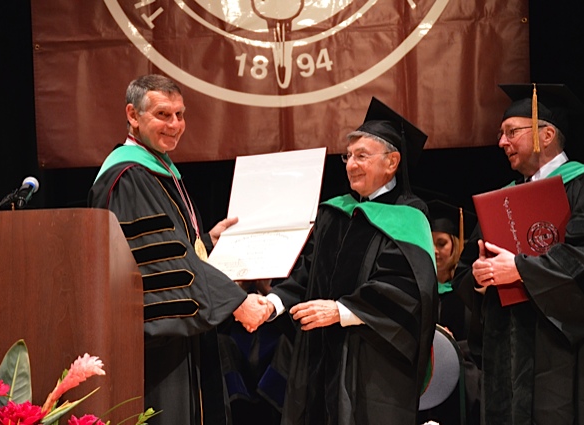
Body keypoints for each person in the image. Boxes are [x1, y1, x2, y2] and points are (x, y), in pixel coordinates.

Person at [240, 97, 439, 424]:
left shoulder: (409, 219)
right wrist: (272, 303)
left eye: (362, 156)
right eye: (348, 156)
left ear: (392, 162)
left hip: (372, 363)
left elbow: (405, 289)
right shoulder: (334, 212)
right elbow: (307, 273)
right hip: (318, 356)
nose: (350, 164)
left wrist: (342, 311)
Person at [88, 74, 267, 425]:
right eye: (162, 115)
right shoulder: (129, 176)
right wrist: (235, 301)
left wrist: (208, 242)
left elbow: (173, 249)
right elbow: (161, 262)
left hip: (181, 339)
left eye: (180, 115)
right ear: (132, 115)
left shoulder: (159, 169)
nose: (175, 125)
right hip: (156, 349)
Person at [455, 83, 584, 424]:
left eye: (511, 132)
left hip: (561, 352)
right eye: (501, 134)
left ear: (547, 133)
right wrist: (480, 276)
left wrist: (521, 270)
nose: (501, 143)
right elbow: (465, 269)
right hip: (504, 358)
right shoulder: (502, 198)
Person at [418, 200, 481, 425]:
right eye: (430, 242)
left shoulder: (469, 291)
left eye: (442, 243)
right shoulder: (417, 291)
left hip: (462, 383)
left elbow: (480, 341)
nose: (434, 250)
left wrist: (450, 345)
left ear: (455, 245)